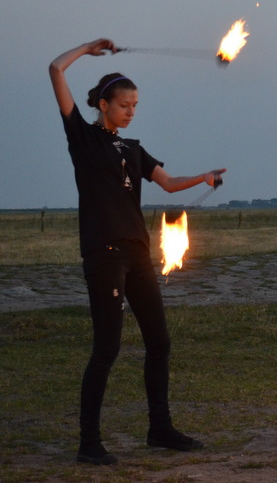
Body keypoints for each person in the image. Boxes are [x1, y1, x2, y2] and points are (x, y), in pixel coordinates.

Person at [49, 39, 223, 465]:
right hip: (104, 254)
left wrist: (203, 178)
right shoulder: (83, 139)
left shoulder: (133, 148)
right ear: (104, 104)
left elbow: (167, 183)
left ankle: (159, 429)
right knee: (106, 348)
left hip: (138, 254)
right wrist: (87, 49)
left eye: (136, 105)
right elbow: (55, 69)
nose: (131, 111)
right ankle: (89, 441)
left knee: (159, 343)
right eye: (124, 104)